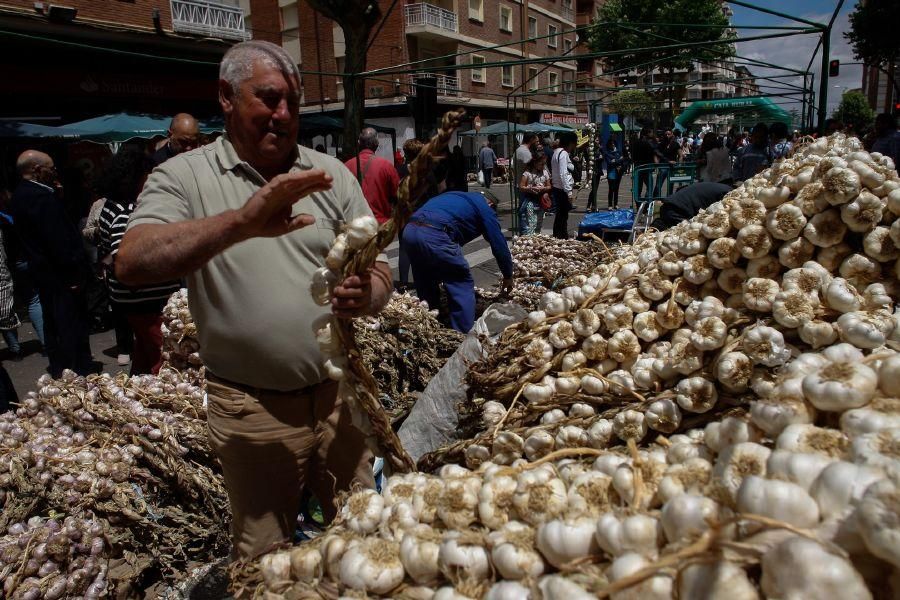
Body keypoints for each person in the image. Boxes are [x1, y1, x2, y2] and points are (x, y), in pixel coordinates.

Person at [115, 40, 391, 559]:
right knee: (265, 556)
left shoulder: (330, 175)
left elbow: (379, 268)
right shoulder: (184, 176)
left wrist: (368, 293)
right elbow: (131, 261)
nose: (282, 115)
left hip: (340, 398)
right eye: (266, 98)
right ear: (226, 97)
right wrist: (241, 224)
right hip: (250, 408)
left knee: (364, 540)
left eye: (292, 101)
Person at [98, 146, 182, 375]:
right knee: (163, 355)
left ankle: (136, 387)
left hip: (132, 299)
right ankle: (161, 399)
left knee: (145, 350)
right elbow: (125, 259)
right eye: (149, 176)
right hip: (145, 300)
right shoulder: (126, 213)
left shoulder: (110, 206)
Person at [11, 150, 93, 377]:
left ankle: (64, 366)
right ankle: (74, 370)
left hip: (44, 273)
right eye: (51, 168)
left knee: (55, 322)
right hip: (59, 276)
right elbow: (57, 240)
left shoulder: (22, 195)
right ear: (38, 170)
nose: (54, 172)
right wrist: (73, 275)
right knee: (68, 324)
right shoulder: (40, 198)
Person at [401, 191, 513, 332]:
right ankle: (462, 334)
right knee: (460, 281)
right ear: (491, 204)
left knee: (425, 280)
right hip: (435, 233)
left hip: (410, 231)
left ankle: (430, 326)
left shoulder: (458, 197)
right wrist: (508, 274)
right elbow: (499, 244)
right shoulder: (484, 208)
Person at [344, 128, 400, 224]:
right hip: (379, 225)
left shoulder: (346, 166)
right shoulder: (386, 166)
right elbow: (398, 195)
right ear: (377, 144)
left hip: (354, 226)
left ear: (358, 143)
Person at [658, 182, 732, 229]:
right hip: (676, 210)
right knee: (685, 231)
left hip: (671, 206)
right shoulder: (727, 194)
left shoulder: (722, 188)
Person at [550, 132, 577, 239]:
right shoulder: (563, 154)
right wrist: (569, 192)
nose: (574, 147)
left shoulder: (556, 152)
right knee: (563, 215)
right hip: (562, 189)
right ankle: (562, 236)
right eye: (574, 144)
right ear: (570, 143)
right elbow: (563, 173)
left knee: (560, 215)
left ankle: (558, 235)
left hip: (557, 188)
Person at [519, 153, 551, 235]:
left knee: (539, 222)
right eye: (542, 164)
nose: (543, 166)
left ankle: (536, 237)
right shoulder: (527, 173)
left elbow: (549, 186)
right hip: (530, 200)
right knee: (531, 222)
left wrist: (544, 188)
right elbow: (521, 187)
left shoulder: (545, 172)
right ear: (535, 163)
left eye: (544, 163)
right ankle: (530, 238)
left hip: (540, 201)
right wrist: (530, 188)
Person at [632, 127, 666, 200]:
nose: (653, 134)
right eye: (651, 132)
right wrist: (667, 160)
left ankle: (639, 206)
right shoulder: (648, 143)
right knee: (649, 187)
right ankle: (647, 204)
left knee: (638, 188)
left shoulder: (635, 142)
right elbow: (657, 152)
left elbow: (632, 155)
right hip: (646, 167)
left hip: (637, 167)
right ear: (647, 133)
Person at [602, 138, 624, 209]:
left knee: (616, 188)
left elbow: (622, 160)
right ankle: (610, 205)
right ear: (609, 145)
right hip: (611, 172)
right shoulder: (607, 153)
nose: (613, 145)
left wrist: (615, 160)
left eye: (614, 143)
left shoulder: (618, 151)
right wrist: (618, 160)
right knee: (611, 189)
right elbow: (610, 163)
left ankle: (616, 204)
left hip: (618, 172)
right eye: (611, 144)